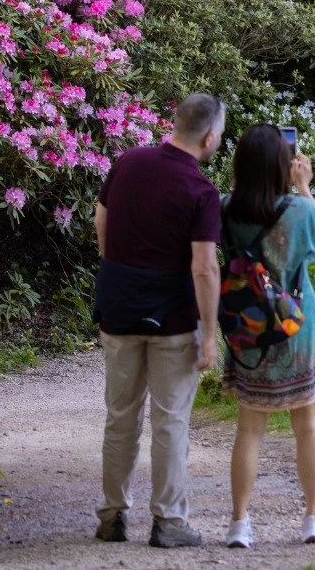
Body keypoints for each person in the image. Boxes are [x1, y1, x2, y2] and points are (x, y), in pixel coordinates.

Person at [92, 92, 225, 549]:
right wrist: (210, 335)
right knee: (170, 421)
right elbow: (204, 268)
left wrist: (116, 266)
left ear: (175, 122)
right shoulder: (202, 192)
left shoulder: (127, 162)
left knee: (120, 416)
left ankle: (112, 514)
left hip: (119, 308)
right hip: (171, 318)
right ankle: (168, 522)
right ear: (209, 136)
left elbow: (101, 219)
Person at [221, 124, 315, 549]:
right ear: (282, 165)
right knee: (307, 426)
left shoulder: (225, 208)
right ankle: (312, 518)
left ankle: (238, 523)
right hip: (297, 329)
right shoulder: (299, 210)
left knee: (249, 429)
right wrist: (304, 187)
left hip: (249, 329)